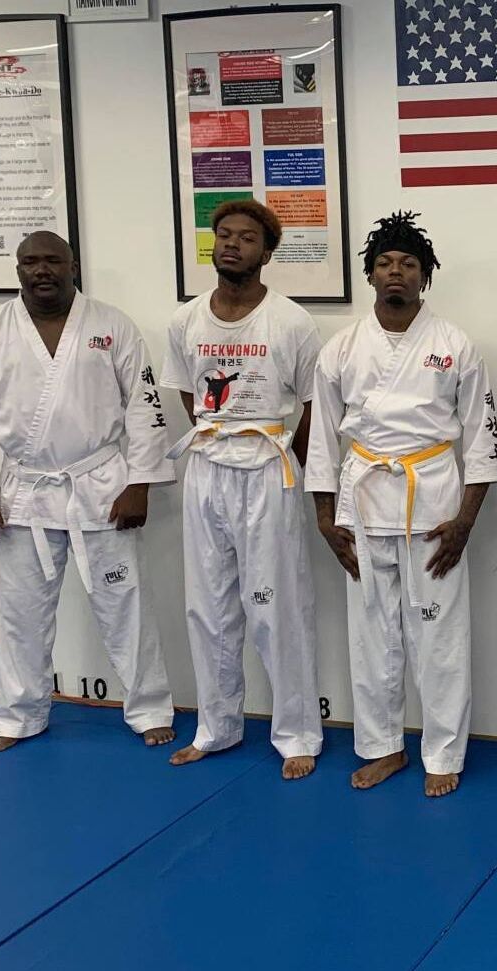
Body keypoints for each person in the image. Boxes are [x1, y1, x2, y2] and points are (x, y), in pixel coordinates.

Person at [0, 232, 175, 752]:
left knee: (126, 605)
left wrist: (140, 482)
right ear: (18, 270)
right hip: (25, 491)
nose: (41, 270)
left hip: (101, 486)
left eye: (53, 260)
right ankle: (18, 716)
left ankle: (149, 708)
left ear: (73, 266)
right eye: (30, 262)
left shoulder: (112, 326)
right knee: (21, 612)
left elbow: (145, 406)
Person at [307, 212, 497, 798]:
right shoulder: (341, 348)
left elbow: (482, 437)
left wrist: (465, 521)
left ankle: (443, 752)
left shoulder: (455, 345)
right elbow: (321, 440)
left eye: (408, 264)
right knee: (371, 636)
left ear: (425, 276)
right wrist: (324, 517)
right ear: (370, 274)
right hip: (364, 502)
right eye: (386, 263)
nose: (396, 272)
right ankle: (382, 747)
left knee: (440, 636)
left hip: (434, 503)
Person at [163, 199, 324, 781]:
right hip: (208, 466)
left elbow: (314, 405)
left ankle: (298, 732)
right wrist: (218, 433)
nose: (232, 244)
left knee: (276, 605)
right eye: (224, 235)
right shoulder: (185, 321)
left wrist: (294, 464)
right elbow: (188, 392)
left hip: (268, 467)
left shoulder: (292, 322)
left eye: (246, 238)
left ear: (267, 252)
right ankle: (217, 726)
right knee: (206, 605)